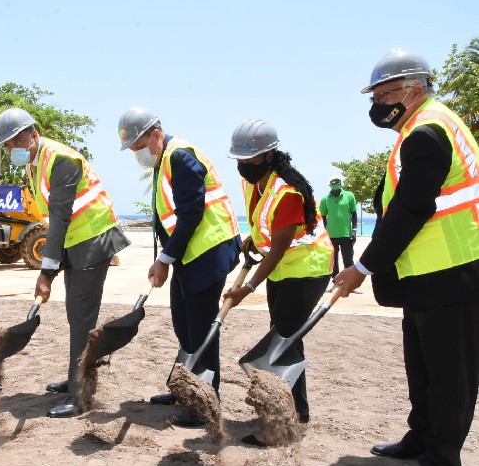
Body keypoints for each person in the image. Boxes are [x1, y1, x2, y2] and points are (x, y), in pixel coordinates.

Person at [335, 48, 479, 466]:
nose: (377, 104)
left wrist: (362, 266)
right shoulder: (421, 126)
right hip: (426, 273)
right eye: (375, 96)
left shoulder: (428, 132)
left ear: (413, 90)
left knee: (450, 376)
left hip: (452, 272)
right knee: (422, 365)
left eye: (385, 94)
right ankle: (421, 437)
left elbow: (411, 209)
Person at [0, 107, 131, 418]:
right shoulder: (35, 161)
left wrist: (46, 272)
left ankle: (79, 395)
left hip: (94, 239)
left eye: (18, 141)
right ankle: (75, 377)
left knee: (81, 317)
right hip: (76, 240)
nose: (13, 148)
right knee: (75, 315)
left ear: (33, 135)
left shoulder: (60, 159)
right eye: (8, 145)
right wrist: (53, 266)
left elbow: (59, 217)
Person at [117, 107, 241, 427]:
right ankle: (185, 389)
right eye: (133, 150)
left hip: (208, 252)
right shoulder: (164, 159)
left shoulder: (180, 156)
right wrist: (166, 257)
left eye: (139, 146)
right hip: (189, 253)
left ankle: (204, 403)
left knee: (200, 330)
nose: (137, 154)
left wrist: (164, 260)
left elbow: (191, 214)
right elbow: (169, 216)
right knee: (183, 325)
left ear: (155, 135)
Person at [223, 119, 333, 439]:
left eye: (251, 159)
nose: (244, 165)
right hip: (284, 269)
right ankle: (298, 411)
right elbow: (265, 226)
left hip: (308, 269)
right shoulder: (253, 183)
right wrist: (253, 239)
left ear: (269, 155)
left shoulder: (288, 192)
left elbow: (278, 250)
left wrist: (247, 288)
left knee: (283, 339)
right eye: (240, 159)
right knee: (286, 337)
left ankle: (282, 422)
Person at [320, 177, 358, 289]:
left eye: (337, 182)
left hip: (346, 234)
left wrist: (354, 230)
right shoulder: (325, 199)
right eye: (333, 182)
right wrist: (324, 233)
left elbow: (354, 213)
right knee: (334, 262)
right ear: (330, 184)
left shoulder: (349, 196)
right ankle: (336, 283)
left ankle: (349, 284)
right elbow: (323, 217)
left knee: (348, 260)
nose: (335, 184)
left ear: (341, 183)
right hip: (331, 236)